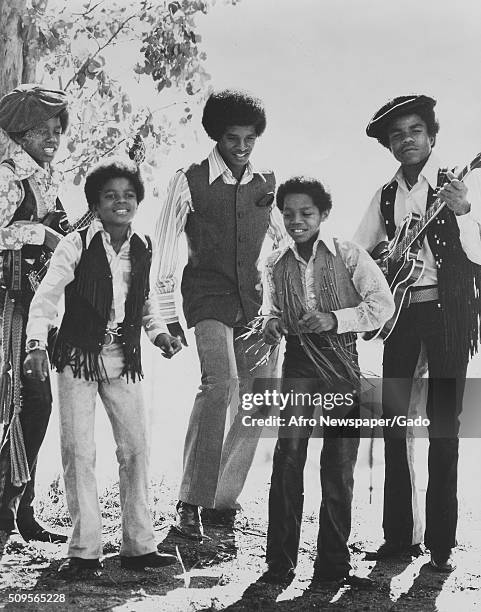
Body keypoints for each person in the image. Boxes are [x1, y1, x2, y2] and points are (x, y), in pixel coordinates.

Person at [23, 159, 182, 578]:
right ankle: (84, 552)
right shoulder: (75, 244)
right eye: (111, 196)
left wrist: (160, 334)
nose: (121, 202)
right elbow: (47, 297)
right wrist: (36, 344)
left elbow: (144, 304)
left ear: (138, 202)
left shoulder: (142, 245)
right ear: (95, 203)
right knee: (79, 452)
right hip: (76, 358)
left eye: (129, 195)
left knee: (135, 450)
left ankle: (139, 547)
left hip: (121, 358)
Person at [354, 95, 481, 572]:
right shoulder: (385, 196)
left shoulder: (457, 186)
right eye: (397, 135)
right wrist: (382, 265)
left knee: (444, 427)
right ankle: (400, 537)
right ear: (389, 146)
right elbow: (357, 255)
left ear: (432, 136)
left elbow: (479, 253)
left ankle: (442, 545)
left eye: (414, 131)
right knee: (393, 424)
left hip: (450, 317)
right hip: (400, 319)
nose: (406, 140)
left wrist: (465, 212)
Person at [153, 89, 285, 539]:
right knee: (219, 384)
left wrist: (281, 301)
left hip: (254, 302)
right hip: (206, 296)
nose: (243, 147)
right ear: (216, 136)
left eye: (251, 138)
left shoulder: (267, 183)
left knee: (261, 394)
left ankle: (221, 503)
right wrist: (164, 316)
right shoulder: (187, 180)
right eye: (233, 138)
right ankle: (190, 501)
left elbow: (284, 245)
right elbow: (165, 251)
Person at [259, 177, 394, 589]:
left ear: (323, 215)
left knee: (338, 464)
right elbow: (270, 308)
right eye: (289, 214)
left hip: (343, 364)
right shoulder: (275, 263)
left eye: (306, 213)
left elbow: (381, 305)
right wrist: (271, 325)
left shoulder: (349, 254)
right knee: (287, 460)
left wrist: (335, 320)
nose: (297, 221)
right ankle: (278, 564)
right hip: (298, 363)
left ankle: (333, 565)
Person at [0, 85, 71, 554]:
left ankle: (20, 512)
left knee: (35, 405)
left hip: (36, 309)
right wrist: (39, 233)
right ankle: (8, 518)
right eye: (41, 130)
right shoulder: (7, 177)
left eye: (56, 129)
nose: (52, 137)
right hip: (7, 309)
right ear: (19, 132)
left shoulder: (45, 177)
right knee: (16, 404)